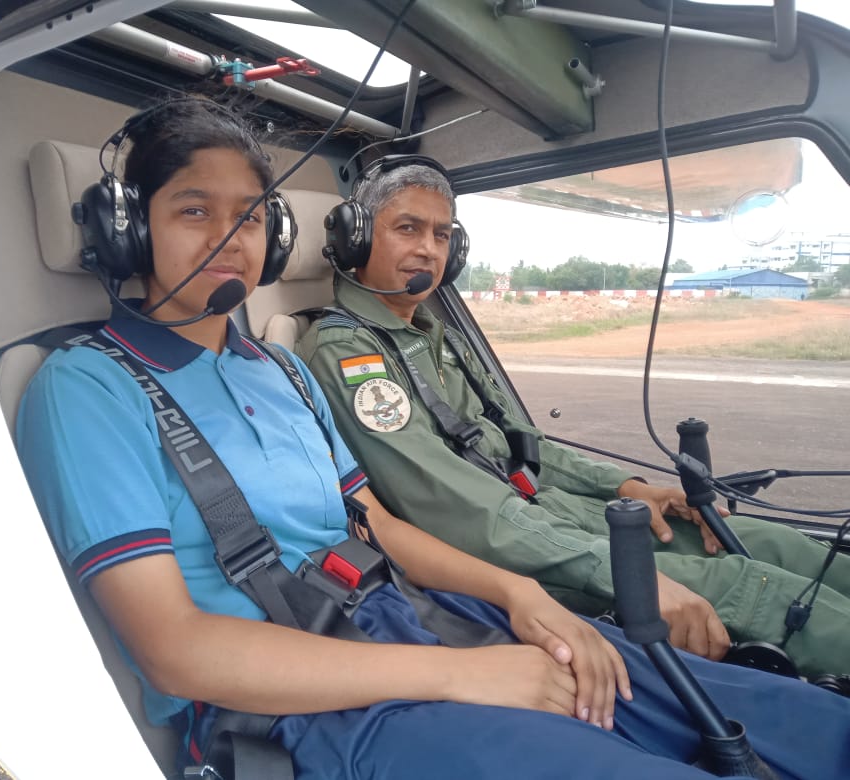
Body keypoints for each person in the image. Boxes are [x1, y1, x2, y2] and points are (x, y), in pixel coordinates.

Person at [16, 98, 850, 780]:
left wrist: (524, 600)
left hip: (419, 621)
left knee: (803, 722)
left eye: (249, 217)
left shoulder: (280, 370)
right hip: (304, 707)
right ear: (130, 229)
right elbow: (175, 651)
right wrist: (462, 675)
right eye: (192, 210)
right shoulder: (87, 386)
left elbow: (378, 527)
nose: (226, 237)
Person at [296, 155, 850, 681]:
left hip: (552, 518)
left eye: (442, 235)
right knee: (754, 588)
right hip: (509, 557)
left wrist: (628, 487)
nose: (428, 249)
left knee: (778, 545)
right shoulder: (349, 356)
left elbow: (525, 446)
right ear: (358, 238)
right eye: (408, 229)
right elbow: (458, 510)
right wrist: (615, 568)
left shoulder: (434, 337)